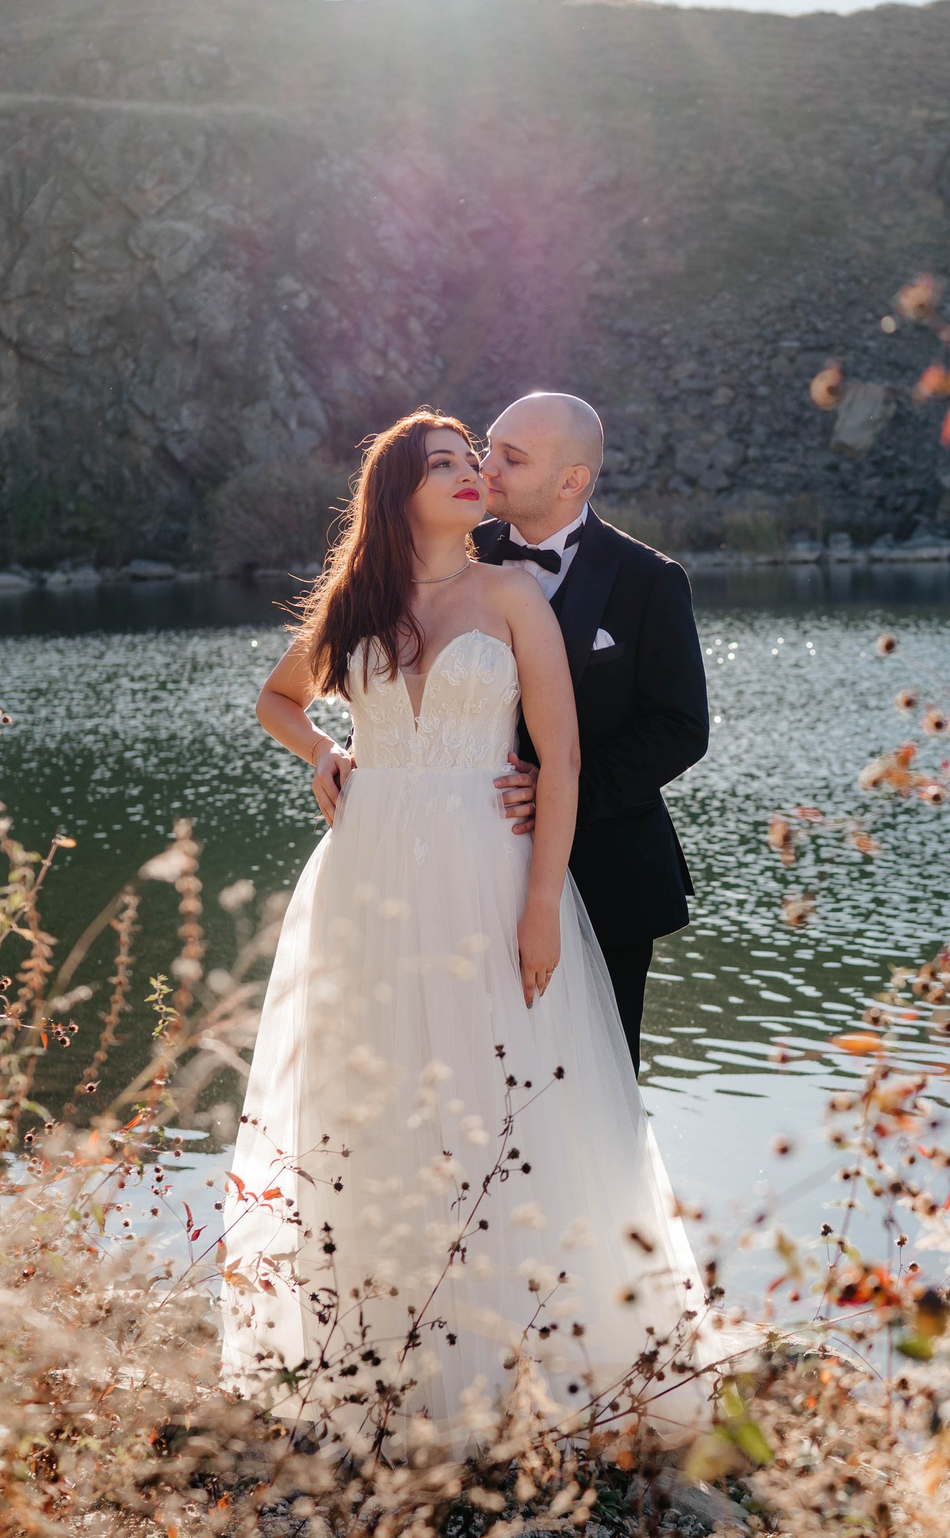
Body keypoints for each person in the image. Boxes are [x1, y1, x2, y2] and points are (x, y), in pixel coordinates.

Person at [220, 408, 721, 1451]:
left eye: (477, 460)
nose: (471, 473)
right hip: (364, 872)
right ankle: (376, 1354)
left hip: (487, 869)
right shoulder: (358, 597)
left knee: (501, 1098)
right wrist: (321, 753)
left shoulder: (511, 592)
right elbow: (276, 698)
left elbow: (566, 761)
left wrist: (542, 905)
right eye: (445, 461)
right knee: (375, 1096)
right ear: (396, 487)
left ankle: (529, 1360)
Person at [311, 392, 711, 1069]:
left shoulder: (649, 580)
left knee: (592, 1088)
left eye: (510, 457)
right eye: (486, 447)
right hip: (460, 867)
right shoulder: (457, 547)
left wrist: (563, 792)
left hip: (606, 865)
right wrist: (350, 746)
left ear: (571, 481)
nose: (486, 465)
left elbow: (681, 727)